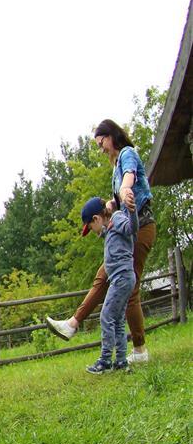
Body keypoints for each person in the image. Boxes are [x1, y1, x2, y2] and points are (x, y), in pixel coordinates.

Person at [45, 120, 156, 363]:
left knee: (130, 286)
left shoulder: (127, 154)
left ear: (112, 136)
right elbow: (121, 194)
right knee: (103, 274)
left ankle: (139, 350)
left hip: (141, 227)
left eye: (101, 142)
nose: (101, 148)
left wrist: (125, 190)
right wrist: (113, 203)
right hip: (128, 231)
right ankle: (73, 324)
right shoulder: (114, 168)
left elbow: (131, 176)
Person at [77, 196, 138, 373]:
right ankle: (121, 361)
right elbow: (108, 231)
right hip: (121, 278)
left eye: (91, 227)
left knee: (106, 316)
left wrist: (131, 212)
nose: (94, 232)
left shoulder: (118, 219)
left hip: (122, 277)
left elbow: (132, 228)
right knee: (118, 320)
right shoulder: (110, 227)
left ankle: (104, 360)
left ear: (96, 219)